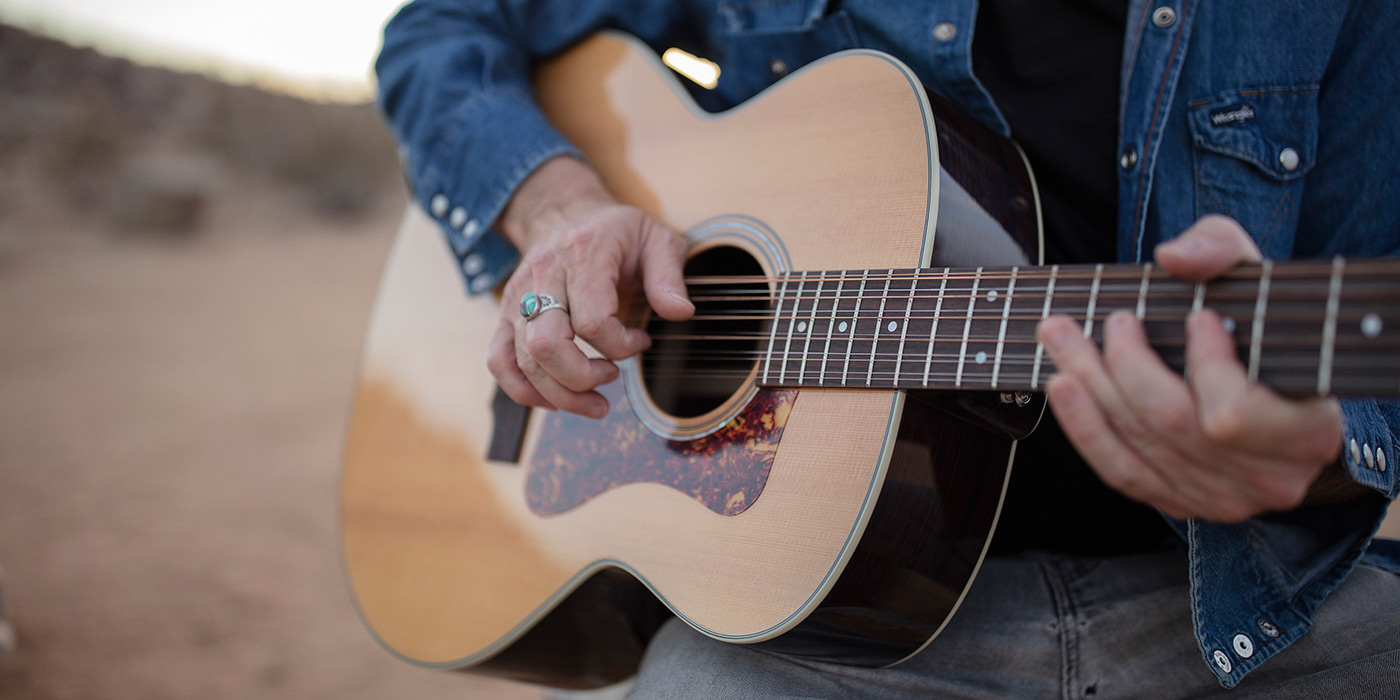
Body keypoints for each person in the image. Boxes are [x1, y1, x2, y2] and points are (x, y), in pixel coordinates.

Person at [374, 1, 1400, 696]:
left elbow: (1372, 386)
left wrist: (1310, 455)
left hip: (1243, 609)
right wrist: (560, 210)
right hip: (820, 638)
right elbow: (445, 29)